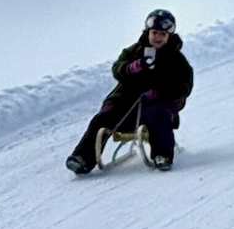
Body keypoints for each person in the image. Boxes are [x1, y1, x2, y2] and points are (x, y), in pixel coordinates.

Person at [66, 9, 194, 174]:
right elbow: (117, 69)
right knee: (101, 119)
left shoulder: (177, 60)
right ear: (148, 32)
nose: (157, 37)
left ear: (169, 36)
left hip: (157, 107)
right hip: (127, 105)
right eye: (154, 33)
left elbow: (185, 86)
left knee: (159, 115)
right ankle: (83, 158)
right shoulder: (134, 51)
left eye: (162, 34)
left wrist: (161, 92)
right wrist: (131, 68)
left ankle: (162, 155)